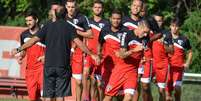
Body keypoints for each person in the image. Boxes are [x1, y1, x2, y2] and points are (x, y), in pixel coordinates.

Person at [11, 6, 100, 101]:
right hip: (63, 66)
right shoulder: (69, 27)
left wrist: (19, 48)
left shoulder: (47, 26)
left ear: (55, 15)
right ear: (66, 15)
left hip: (48, 66)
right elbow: (80, 44)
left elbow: (33, 40)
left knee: (48, 96)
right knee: (60, 96)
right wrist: (92, 54)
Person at [64, 0, 93, 100]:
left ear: (76, 7)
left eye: (73, 7)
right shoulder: (62, 17)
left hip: (78, 53)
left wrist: (76, 32)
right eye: (69, 7)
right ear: (66, 7)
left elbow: (90, 34)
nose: (71, 9)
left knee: (79, 81)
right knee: (62, 81)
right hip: (64, 52)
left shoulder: (82, 18)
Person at [83, 1, 109, 101]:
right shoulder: (87, 21)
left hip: (101, 55)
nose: (97, 9)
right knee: (86, 73)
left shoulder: (107, 23)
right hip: (89, 53)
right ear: (92, 9)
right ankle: (86, 97)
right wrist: (85, 49)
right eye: (95, 7)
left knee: (98, 83)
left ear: (102, 9)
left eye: (99, 7)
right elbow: (85, 36)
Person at [16, 12, 45, 101]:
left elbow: (52, 48)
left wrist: (45, 56)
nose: (28, 22)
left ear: (36, 20)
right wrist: (21, 56)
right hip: (30, 70)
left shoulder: (44, 32)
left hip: (42, 68)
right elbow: (24, 50)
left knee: (45, 96)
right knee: (33, 98)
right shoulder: (23, 34)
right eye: (26, 21)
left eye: (30, 20)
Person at [165, 18, 192, 101]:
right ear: (170, 26)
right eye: (173, 26)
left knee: (177, 89)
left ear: (179, 27)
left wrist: (187, 63)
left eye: (176, 26)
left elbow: (190, 52)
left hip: (179, 69)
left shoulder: (184, 39)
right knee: (167, 96)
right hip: (168, 68)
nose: (174, 28)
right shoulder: (166, 37)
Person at [152, 13, 174, 101]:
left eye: (160, 21)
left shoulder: (167, 33)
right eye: (156, 21)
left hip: (162, 64)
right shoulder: (148, 31)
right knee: (144, 86)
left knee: (161, 90)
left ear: (163, 21)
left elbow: (172, 51)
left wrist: (164, 45)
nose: (158, 23)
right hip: (149, 62)